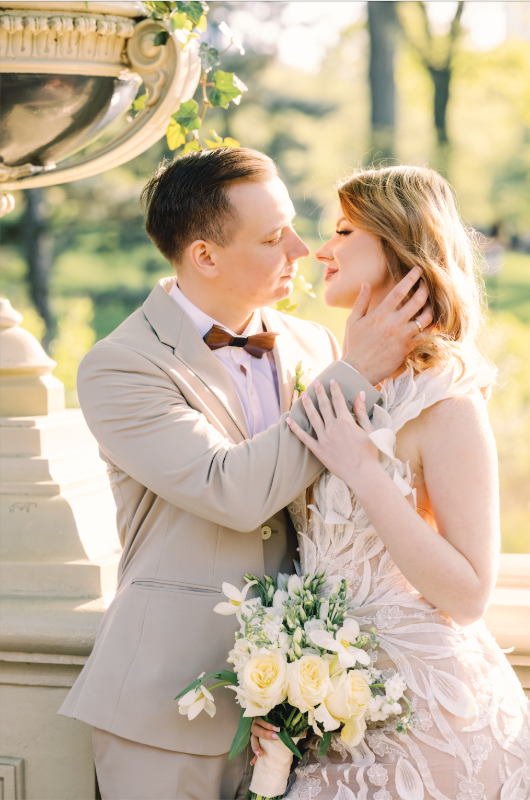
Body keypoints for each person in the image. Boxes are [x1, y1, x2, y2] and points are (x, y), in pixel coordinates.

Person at [58, 148, 432, 800]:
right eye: (271, 237)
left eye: (292, 224)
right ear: (205, 256)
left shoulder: (315, 345)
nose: (301, 247)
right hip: (167, 703)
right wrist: (353, 375)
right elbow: (231, 492)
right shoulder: (119, 366)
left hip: (301, 706)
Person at [252, 165, 530, 800]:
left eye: (345, 230)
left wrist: (363, 472)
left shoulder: (447, 400)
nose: (321, 248)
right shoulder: (339, 379)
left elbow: (468, 595)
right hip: (333, 716)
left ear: (400, 246)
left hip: (429, 724)